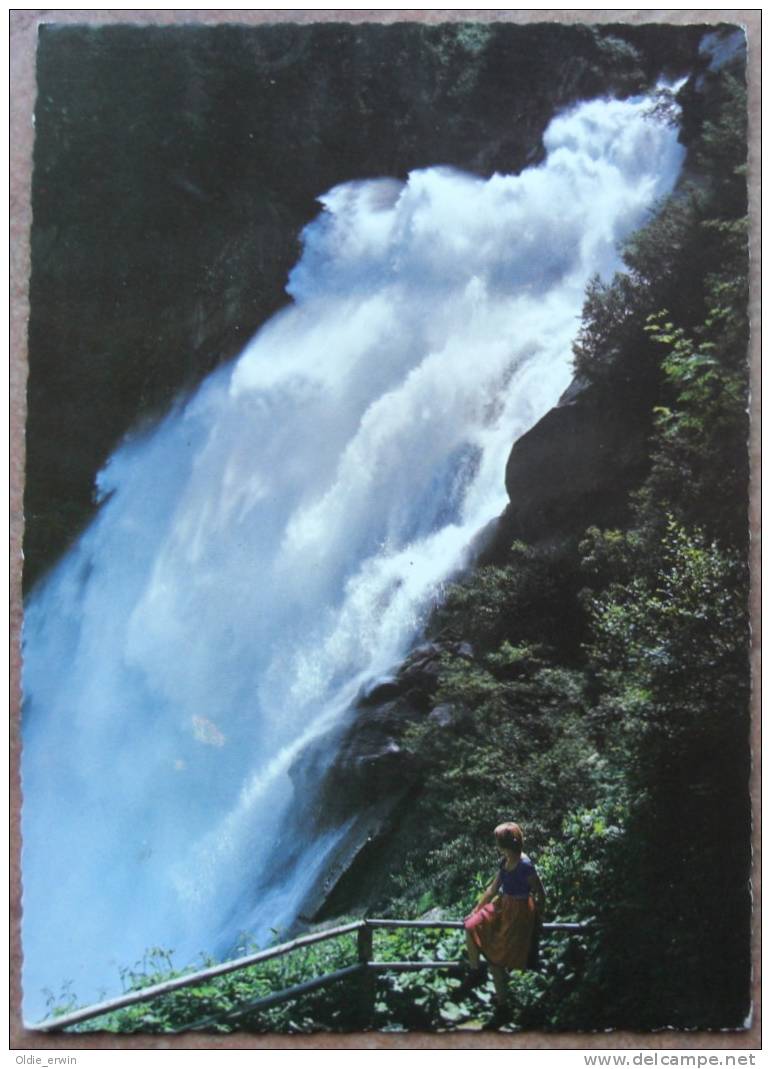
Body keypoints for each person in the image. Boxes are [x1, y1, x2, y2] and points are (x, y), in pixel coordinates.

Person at [463, 821, 546, 1006]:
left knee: (497, 961)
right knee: (470, 925)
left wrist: (538, 916)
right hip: (503, 905)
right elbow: (492, 890)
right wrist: (475, 911)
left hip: (520, 911)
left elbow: (540, 893)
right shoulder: (505, 862)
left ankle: (503, 1003)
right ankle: (476, 971)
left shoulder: (525, 865)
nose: (497, 846)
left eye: (499, 842)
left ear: (505, 844)